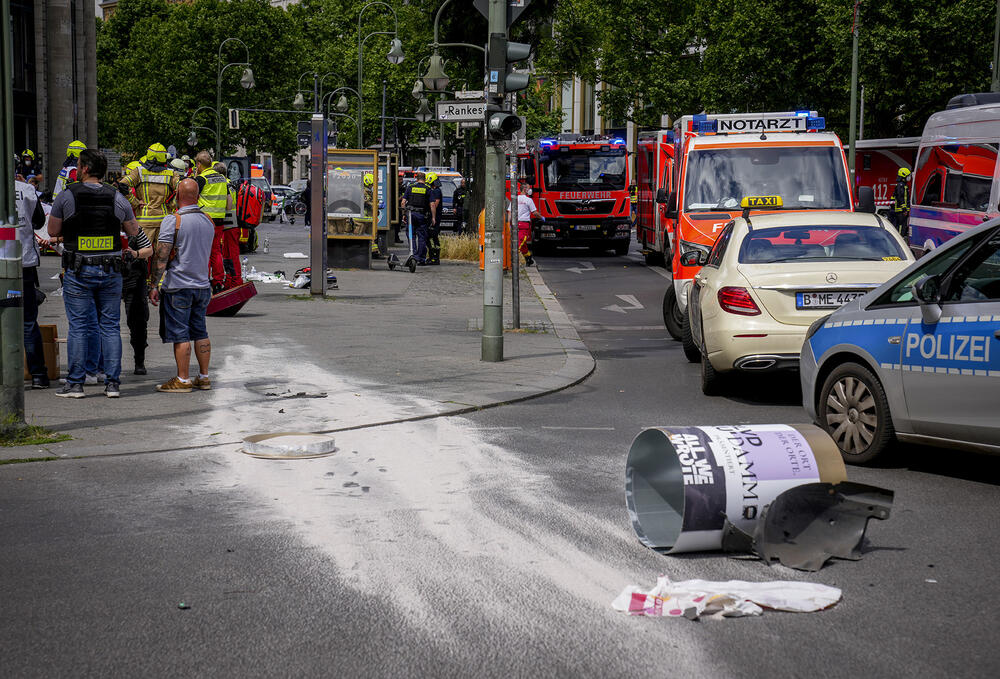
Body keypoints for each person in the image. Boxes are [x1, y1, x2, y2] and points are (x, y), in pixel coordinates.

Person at [47, 148, 146, 398]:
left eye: (79, 165)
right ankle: (112, 384)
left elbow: (52, 230)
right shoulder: (116, 197)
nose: (77, 169)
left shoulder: (68, 195)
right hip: (111, 269)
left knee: (79, 327)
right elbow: (133, 231)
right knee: (111, 326)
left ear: (86, 169)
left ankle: (76, 384)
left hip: (79, 270)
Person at [149, 179, 215, 393]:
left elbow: (162, 255)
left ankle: (183, 379)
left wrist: (153, 284)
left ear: (177, 195)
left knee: (181, 334)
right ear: (197, 196)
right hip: (202, 285)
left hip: (178, 285)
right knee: (200, 330)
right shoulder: (208, 220)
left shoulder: (173, 220)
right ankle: (204, 377)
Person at [14, 176, 50, 388]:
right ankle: (38, 375)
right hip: (23, 260)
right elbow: (38, 222)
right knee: (28, 321)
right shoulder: (27, 190)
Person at [118, 142, 179, 245]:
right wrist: (172, 204)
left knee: (143, 256)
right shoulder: (171, 173)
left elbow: (122, 185)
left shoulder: (139, 172)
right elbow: (183, 189)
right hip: (164, 222)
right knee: (160, 257)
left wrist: (135, 203)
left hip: (144, 222)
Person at [193, 152, 229, 293]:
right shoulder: (221, 178)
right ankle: (219, 281)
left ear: (199, 164)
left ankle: (204, 280)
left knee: (204, 252)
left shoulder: (201, 179)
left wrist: (195, 177)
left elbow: (192, 196)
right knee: (216, 251)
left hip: (205, 220)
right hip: (220, 219)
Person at [214, 162, 242, 287]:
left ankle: (235, 280)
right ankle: (231, 279)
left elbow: (228, 205)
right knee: (228, 255)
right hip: (231, 224)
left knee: (231, 255)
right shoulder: (230, 183)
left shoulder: (224, 184)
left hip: (229, 224)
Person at [401, 172, 433, 265]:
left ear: (416, 178)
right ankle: (420, 258)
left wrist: (404, 214)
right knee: (422, 237)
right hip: (422, 215)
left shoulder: (410, 187)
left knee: (411, 235)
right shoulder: (428, 189)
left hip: (411, 215)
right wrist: (433, 217)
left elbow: (403, 202)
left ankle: (413, 255)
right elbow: (432, 204)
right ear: (425, 179)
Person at [517, 183, 542, 267]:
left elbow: (510, 212)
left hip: (516, 224)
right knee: (519, 243)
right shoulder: (529, 200)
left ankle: (528, 258)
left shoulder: (515, 199)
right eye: (529, 188)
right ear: (525, 189)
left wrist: (509, 223)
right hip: (524, 224)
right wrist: (542, 217)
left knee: (521, 243)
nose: (530, 190)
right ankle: (511, 261)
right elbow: (534, 212)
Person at [425, 172, 443, 265]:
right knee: (431, 238)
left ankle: (434, 258)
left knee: (432, 238)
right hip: (434, 217)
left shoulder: (436, 191)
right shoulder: (434, 190)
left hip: (435, 218)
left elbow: (435, 204)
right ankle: (433, 257)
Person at [891, 167, 911, 237]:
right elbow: (900, 198)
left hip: (902, 211)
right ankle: (899, 238)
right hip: (900, 211)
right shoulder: (900, 185)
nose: (909, 177)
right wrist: (904, 209)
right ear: (903, 176)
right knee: (901, 227)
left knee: (903, 226)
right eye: (908, 176)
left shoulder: (904, 185)